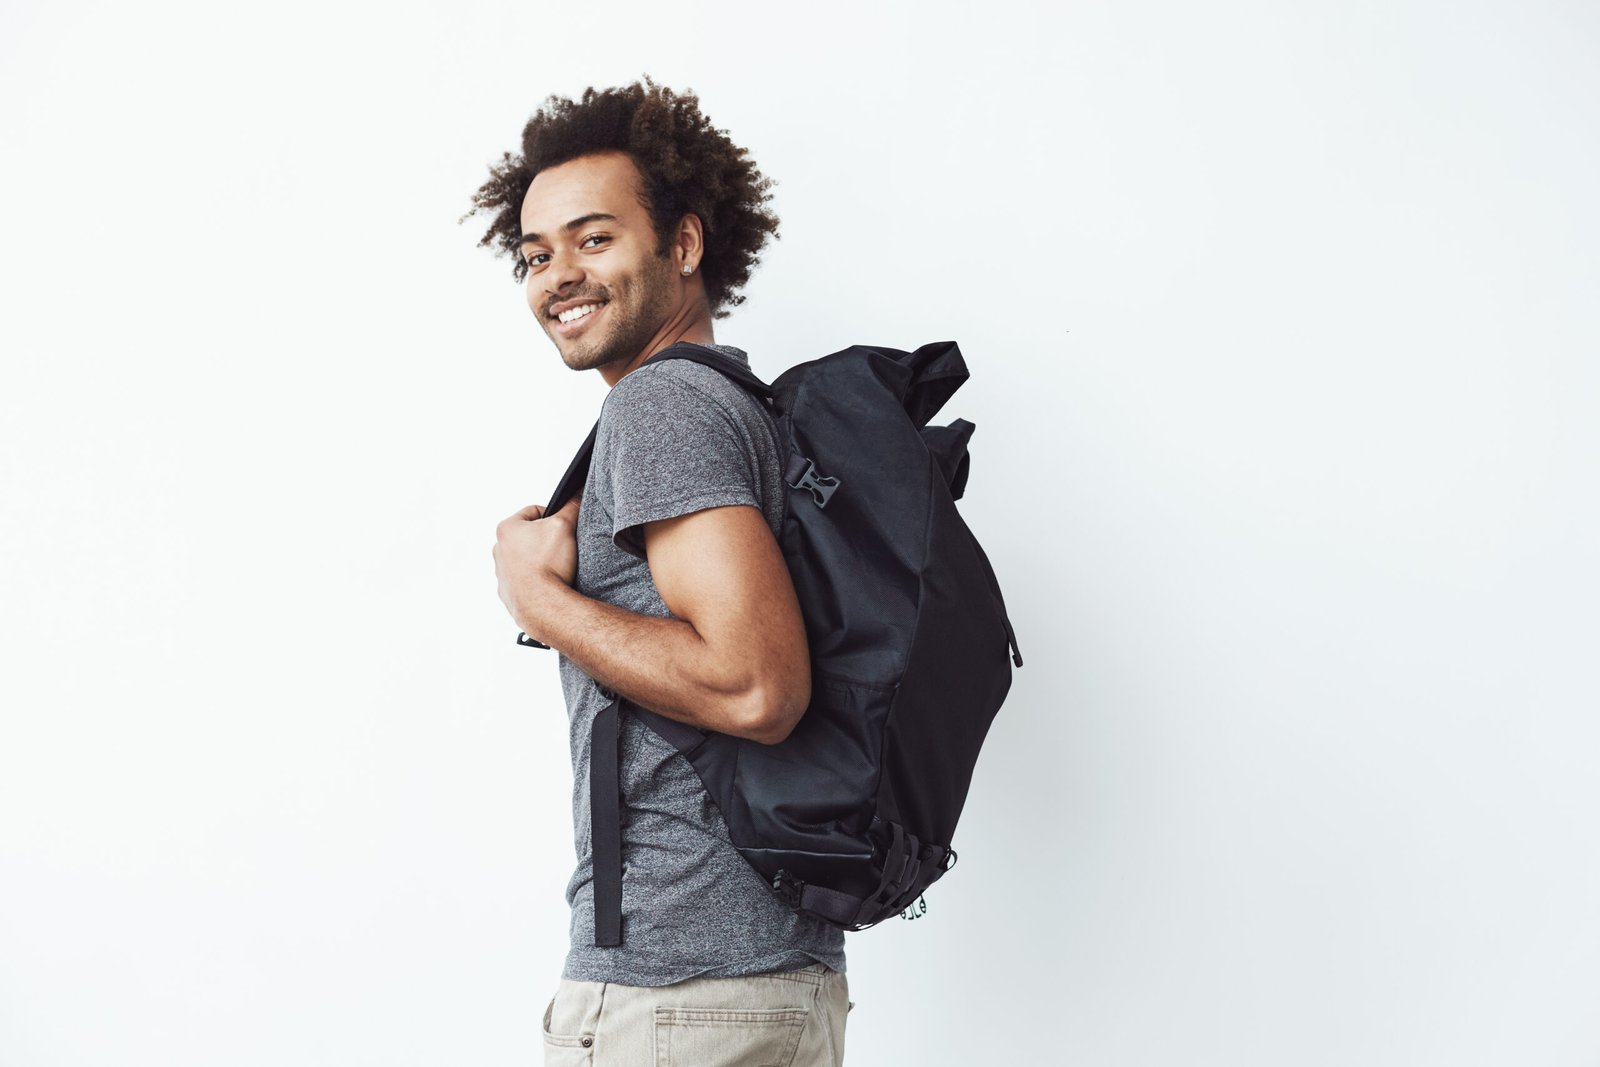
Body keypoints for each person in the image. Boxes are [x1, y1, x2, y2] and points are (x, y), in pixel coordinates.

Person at [467, 78, 850, 1066]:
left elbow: (756, 684)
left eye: (593, 239)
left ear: (683, 246)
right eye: (536, 253)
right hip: (763, 979)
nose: (559, 275)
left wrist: (538, 598)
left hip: (675, 999)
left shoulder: (663, 408)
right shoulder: (728, 402)